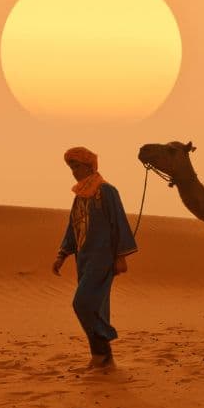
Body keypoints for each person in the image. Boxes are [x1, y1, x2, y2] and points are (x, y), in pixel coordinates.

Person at [51, 147, 137, 370]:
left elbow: (118, 222)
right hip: (84, 259)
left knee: (82, 303)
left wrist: (121, 257)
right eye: (71, 167)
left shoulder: (106, 191)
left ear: (90, 166)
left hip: (103, 258)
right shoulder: (80, 196)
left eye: (77, 166)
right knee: (95, 306)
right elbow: (73, 226)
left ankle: (104, 350)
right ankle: (101, 357)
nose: (74, 171)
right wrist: (62, 255)